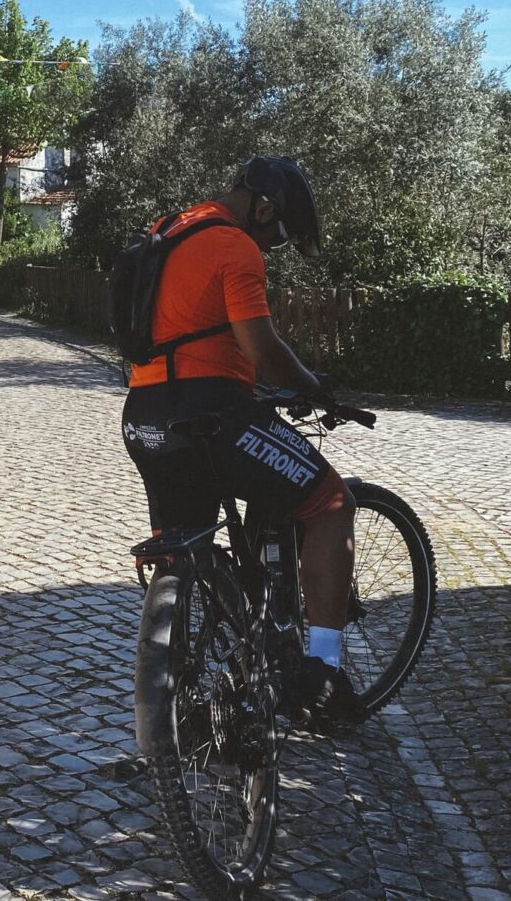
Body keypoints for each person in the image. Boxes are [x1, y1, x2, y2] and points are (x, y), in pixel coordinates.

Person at [120, 156, 362, 722]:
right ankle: (323, 668)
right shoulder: (235, 247)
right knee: (330, 504)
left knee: (186, 549)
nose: (275, 245)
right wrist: (313, 386)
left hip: (145, 416)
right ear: (265, 205)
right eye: (279, 235)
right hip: (213, 413)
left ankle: (182, 699)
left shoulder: (168, 230)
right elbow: (263, 354)